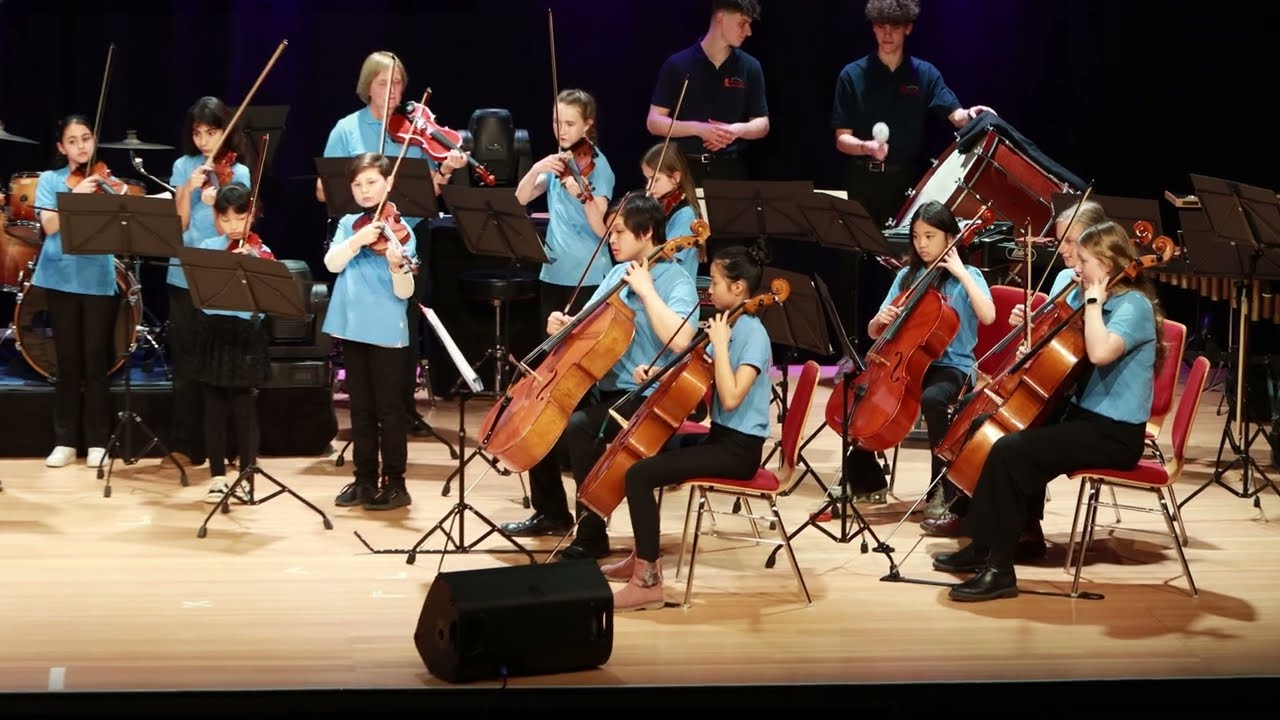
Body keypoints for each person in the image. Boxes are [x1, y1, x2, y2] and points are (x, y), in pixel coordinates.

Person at [932, 220, 1164, 601]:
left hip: (1114, 433)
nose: (1077, 267)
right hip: (1083, 416)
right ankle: (987, 542)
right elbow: (1066, 353)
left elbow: (1100, 351)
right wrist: (1033, 348)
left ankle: (1000, 570)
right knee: (990, 428)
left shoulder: (1132, 306)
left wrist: (1091, 300)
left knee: (1010, 450)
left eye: (1085, 260)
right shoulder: (1092, 296)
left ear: (1106, 264)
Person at [498, 194, 699, 561]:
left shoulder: (676, 281)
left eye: (619, 232)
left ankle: (592, 535)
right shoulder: (614, 273)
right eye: (611, 233)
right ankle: (551, 513)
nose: (612, 240)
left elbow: (683, 340)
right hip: (605, 388)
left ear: (648, 232)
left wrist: (647, 291)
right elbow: (589, 327)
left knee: (579, 427)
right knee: (543, 419)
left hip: (648, 395)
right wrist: (562, 325)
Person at [601, 239, 773, 611]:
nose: (707, 289)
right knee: (647, 453)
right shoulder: (729, 324)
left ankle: (648, 582)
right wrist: (657, 374)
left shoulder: (752, 334)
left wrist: (722, 347)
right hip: (722, 439)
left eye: (714, 282)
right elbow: (696, 376)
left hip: (739, 450)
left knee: (640, 476)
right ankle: (642, 555)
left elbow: (729, 397)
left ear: (738, 288)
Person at [319, 50, 468, 440]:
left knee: (407, 322)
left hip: (406, 237)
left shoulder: (413, 129)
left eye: (399, 83)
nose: (393, 90)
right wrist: (361, 203)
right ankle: (367, 408)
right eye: (384, 82)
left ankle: (401, 407)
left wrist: (447, 172)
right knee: (364, 327)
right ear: (368, 85)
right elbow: (324, 189)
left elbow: (431, 188)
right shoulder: (347, 129)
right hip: (360, 238)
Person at [840, 201, 994, 517]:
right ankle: (866, 479)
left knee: (934, 399)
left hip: (954, 366)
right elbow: (873, 332)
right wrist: (881, 318)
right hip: (907, 363)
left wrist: (961, 273)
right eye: (916, 236)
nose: (921, 244)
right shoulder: (908, 277)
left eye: (930, 236)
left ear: (950, 238)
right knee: (859, 395)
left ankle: (941, 485)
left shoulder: (970, 275)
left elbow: (988, 316)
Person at [831, 0, 996, 228]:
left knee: (899, 257)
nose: (887, 34)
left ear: (908, 28)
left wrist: (970, 114)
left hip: (904, 183)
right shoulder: (851, 75)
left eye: (895, 27)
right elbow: (841, 138)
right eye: (881, 26)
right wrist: (866, 147)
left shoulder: (924, 74)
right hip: (861, 182)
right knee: (854, 257)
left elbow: (956, 116)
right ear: (873, 27)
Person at [322, 153, 419, 511]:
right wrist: (357, 240)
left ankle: (396, 482)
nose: (364, 190)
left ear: (388, 184)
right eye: (358, 184)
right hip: (352, 324)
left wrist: (397, 267)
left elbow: (405, 293)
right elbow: (332, 263)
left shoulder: (402, 230)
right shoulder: (350, 224)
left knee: (390, 411)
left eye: (372, 182)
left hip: (386, 329)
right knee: (360, 409)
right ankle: (364, 479)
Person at [166, 97, 252, 470]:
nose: (204, 141)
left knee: (222, 364)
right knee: (186, 362)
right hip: (183, 273)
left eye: (212, 132)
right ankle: (187, 444)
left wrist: (216, 202)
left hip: (223, 276)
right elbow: (178, 224)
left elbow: (238, 229)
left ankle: (228, 446)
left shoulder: (241, 172)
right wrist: (187, 188)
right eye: (198, 133)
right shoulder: (183, 166)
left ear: (226, 132)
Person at [32, 115, 120, 469]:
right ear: (61, 147)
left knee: (96, 360)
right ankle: (65, 439)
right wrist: (73, 196)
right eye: (73, 140)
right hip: (60, 278)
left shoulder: (104, 181)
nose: (82, 146)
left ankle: (99, 440)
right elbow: (49, 224)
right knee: (67, 361)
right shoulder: (51, 181)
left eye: (86, 138)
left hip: (98, 277)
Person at [193, 183, 274, 504]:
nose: (232, 227)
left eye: (239, 219)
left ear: (251, 217)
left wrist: (254, 263)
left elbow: (269, 296)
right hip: (215, 332)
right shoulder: (208, 247)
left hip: (246, 336)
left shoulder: (261, 251)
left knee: (244, 409)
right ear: (216, 219)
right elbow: (202, 297)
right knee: (213, 409)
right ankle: (216, 477)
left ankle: (247, 472)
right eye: (224, 220)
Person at [515, 88, 616, 322]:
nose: (561, 130)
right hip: (553, 271)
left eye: (569, 124)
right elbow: (520, 199)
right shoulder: (561, 161)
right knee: (551, 349)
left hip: (586, 275)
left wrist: (585, 197)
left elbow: (603, 230)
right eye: (556, 121)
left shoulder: (598, 167)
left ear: (587, 125)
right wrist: (536, 169)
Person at [646, 0, 769, 184]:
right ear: (721, 17)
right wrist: (699, 129)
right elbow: (654, 122)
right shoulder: (678, 64)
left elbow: (762, 123)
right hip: (684, 168)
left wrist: (735, 130)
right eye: (742, 23)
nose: (748, 31)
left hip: (730, 168)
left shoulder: (750, 66)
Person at [641, 142, 703, 280]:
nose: (648, 187)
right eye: (647, 180)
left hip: (675, 290)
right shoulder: (660, 209)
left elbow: (668, 260)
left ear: (676, 178)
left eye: (655, 180)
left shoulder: (686, 214)